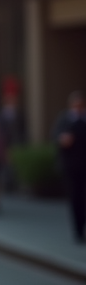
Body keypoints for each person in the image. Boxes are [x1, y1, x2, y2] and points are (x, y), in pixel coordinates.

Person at [53, 90, 86, 243]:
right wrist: (63, 140)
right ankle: (78, 230)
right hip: (71, 165)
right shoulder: (65, 119)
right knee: (75, 198)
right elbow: (55, 136)